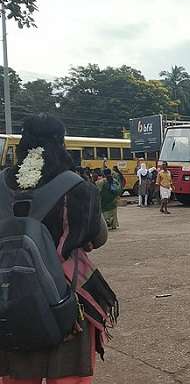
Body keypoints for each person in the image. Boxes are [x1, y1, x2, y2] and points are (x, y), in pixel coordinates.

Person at [0, 115, 118, 384]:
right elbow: (98, 238)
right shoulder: (77, 188)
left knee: (16, 376)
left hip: (9, 297)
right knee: (67, 376)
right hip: (65, 297)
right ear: (60, 144)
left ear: (22, 143)